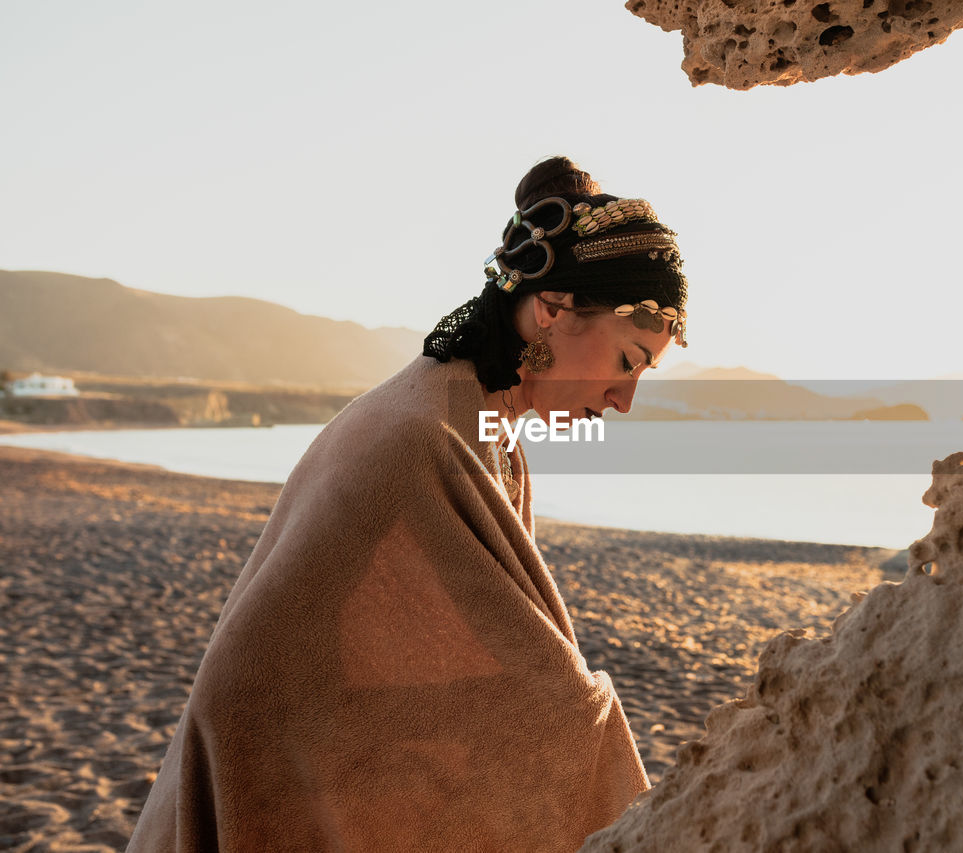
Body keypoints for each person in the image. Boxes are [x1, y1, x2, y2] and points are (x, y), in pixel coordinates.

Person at [127, 156, 689, 851]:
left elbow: (483, 648)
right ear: (553, 308)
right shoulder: (427, 430)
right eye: (628, 360)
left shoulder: (475, 413)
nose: (623, 399)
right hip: (261, 747)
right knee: (582, 721)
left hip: (279, 733)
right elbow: (548, 699)